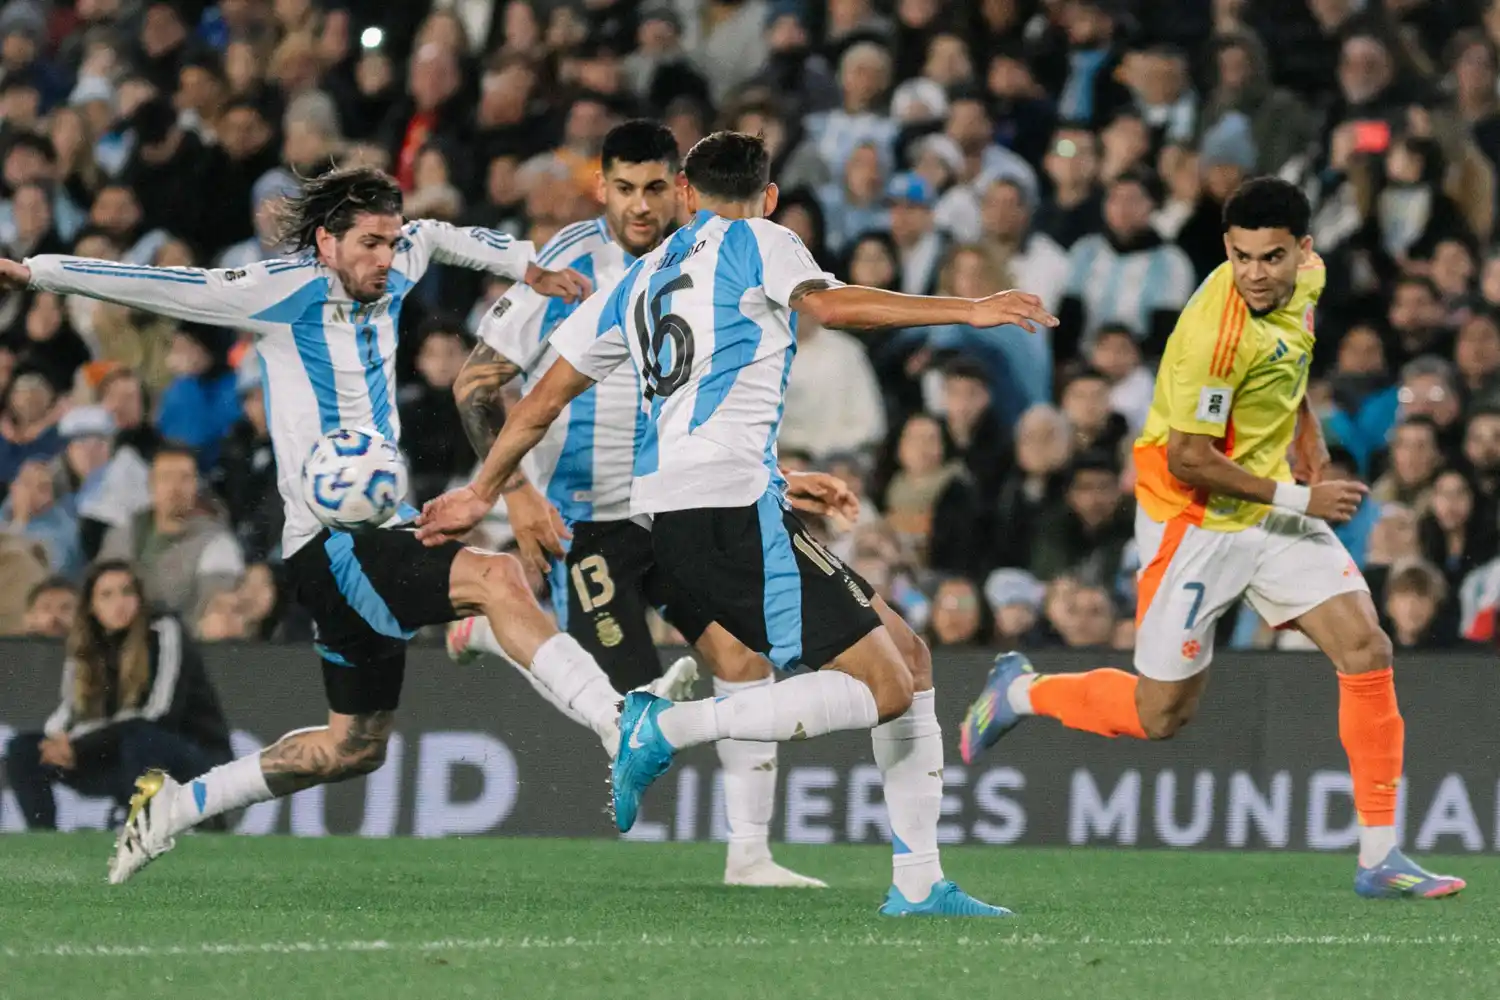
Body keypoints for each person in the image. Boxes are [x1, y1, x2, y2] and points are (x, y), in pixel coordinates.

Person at [416, 130, 1057, 918]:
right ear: (772, 197)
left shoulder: (641, 279)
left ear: (684, 192)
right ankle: (667, 727)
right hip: (720, 511)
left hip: (700, 507)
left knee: (911, 659)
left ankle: (919, 881)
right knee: (885, 688)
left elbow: (543, 398)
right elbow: (829, 305)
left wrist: (483, 491)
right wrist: (972, 309)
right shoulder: (762, 239)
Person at [0, 165, 631, 884]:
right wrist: (36, 272)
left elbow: (445, 236)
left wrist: (529, 266)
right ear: (326, 242)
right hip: (331, 542)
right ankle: (619, 721)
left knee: (353, 747)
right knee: (496, 574)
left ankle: (178, 807)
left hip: (374, 534)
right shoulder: (278, 291)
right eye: (369, 244)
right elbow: (162, 285)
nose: (386, 259)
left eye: (391, 243)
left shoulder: (400, 255)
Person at [957, 177, 1465, 900]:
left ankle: (1380, 856)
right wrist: (1303, 494)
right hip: (1191, 521)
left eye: (1271, 258)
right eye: (1242, 257)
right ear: (1226, 249)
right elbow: (1188, 458)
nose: (1256, 273)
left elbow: (1291, 366)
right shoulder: (1212, 335)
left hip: (1268, 505)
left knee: (1367, 648)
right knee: (1160, 714)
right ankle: (1022, 692)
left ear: (1304, 253)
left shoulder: (1310, 282)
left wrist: (1307, 436)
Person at [444, 119, 828, 889]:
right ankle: (495, 633)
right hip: (586, 515)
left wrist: (777, 474)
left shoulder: (710, 254)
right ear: (602, 188)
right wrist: (515, 495)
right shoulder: (567, 264)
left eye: (656, 188)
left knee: (741, 659)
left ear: (680, 190)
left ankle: (749, 856)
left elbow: (726, 388)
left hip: (680, 506)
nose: (641, 206)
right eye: (625, 189)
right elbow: (476, 384)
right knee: (625, 704)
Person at [4, 561, 231, 830]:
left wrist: (78, 745)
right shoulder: (85, 642)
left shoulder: (164, 630)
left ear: (140, 598)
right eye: (106, 595)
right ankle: (44, 842)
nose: (119, 603)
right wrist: (58, 742)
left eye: (127, 592)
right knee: (24, 750)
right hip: (118, 753)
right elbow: (68, 712)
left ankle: (147, 835)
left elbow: (157, 715)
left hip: (192, 756)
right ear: (90, 604)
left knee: (141, 741)